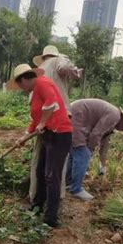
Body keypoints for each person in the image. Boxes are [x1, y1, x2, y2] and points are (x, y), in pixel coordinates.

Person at [7, 64, 72, 227]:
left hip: (60, 135)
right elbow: (35, 120)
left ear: (24, 79)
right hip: (48, 135)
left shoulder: (42, 83)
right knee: (40, 172)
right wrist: (24, 136)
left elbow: (52, 103)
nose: (21, 88)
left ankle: (51, 218)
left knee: (52, 175)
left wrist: (43, 122)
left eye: (20, 85)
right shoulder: (34, 93)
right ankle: (37, 206)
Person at [30, 45, 82, 202]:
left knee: (39, 160)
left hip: (41, 119)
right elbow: (65, 67)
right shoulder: (58, 60)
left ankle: (35, 196)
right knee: (57, 164)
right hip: (59, 119)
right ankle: (56, 197)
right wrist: (76, 73)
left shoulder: (39, 69)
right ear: (54, 55)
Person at [67, 99, 123, 201]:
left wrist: (103, 165)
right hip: (77, 115)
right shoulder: (114, 116)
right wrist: (89, 151)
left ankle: (69, 183)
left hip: (76, 114)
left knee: (76, 153)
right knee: (82, 154)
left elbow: (104, 144)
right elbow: (95, 134)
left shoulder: (113, 122)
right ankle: (75, 189)